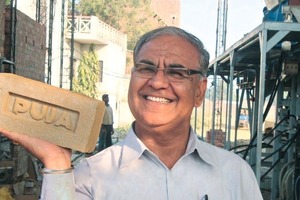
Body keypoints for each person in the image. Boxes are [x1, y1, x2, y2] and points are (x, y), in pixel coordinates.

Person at [0, 26, 263, 199]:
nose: (158, 82)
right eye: (146, 68)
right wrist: (57, 163)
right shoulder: (90, 175)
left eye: (176, 72)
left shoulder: (235, 174)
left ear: (199, 92)